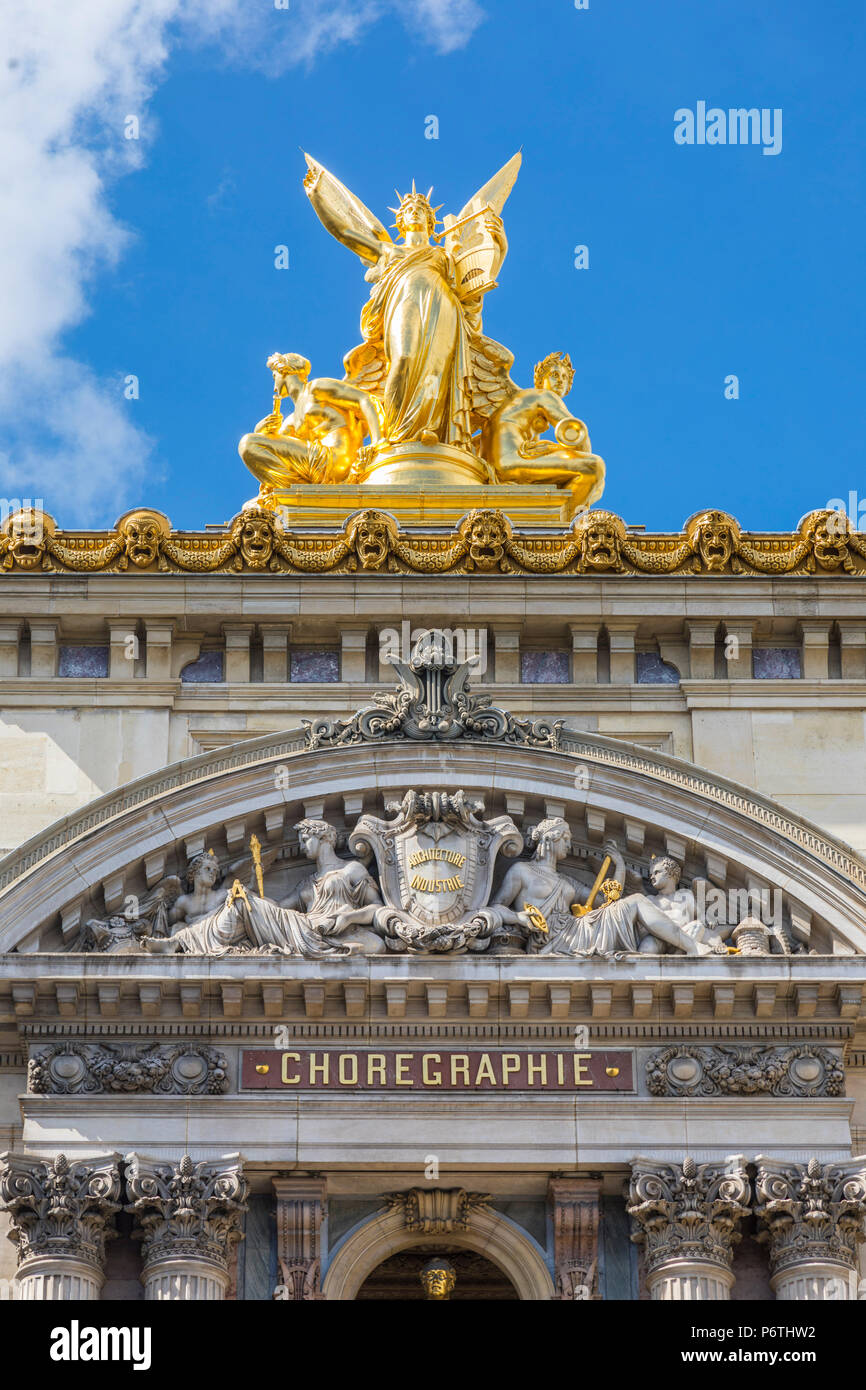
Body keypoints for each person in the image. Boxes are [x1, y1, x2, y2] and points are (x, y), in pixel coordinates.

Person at [481, 351, 605, 506]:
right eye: (554, 375)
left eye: (564, 377)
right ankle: (567, 522)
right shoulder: (544, 396)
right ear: (540, 380)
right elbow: (574, 432)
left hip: (500, 461)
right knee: (593, 467)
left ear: (568, 386)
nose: (560, 381)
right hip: (510, 461)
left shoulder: (520, 401)